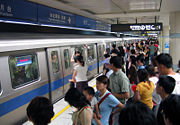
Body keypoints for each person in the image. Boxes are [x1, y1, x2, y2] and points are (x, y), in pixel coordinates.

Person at [109, 56, 130, 125]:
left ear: (112, 65)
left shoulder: (122, 77)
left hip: (119, 106)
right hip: (112, 104)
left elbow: (127, 95)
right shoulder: (111, 76)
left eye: (110, 64)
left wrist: (113, 94)